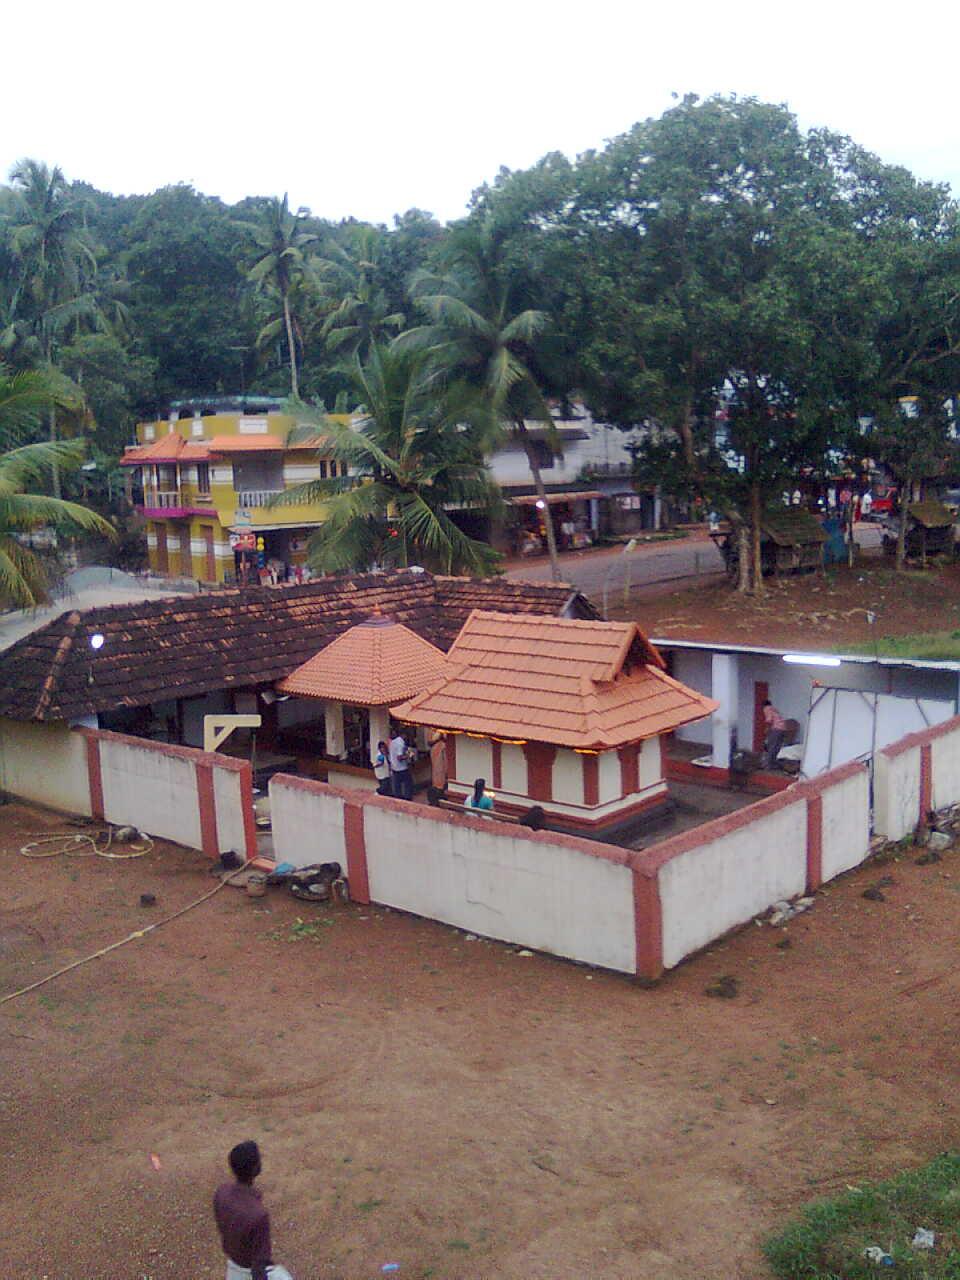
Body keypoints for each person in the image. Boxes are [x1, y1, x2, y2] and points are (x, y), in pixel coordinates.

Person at [213, 1140, 292, 1280]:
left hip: (233, 1267)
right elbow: (259, 1265)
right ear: (256, 1169)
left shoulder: (221, 1193)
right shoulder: (258, 1215)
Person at [762, 699, 787, 770]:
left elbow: (769, 720)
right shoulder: (775, 709)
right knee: (777, 747)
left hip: (776, 729)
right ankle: (773, 763)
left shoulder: (767, 709)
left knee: (771, 746)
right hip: (783, 729)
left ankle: (767, 765)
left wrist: (767, 729)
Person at [389, 730, 413, 800]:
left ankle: (398, 799)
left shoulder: (393, 742)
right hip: (401, 768)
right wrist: (409, 755)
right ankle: (407, 798)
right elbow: (399, 757)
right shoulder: (400, 743)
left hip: (394, 767)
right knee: (408, 783)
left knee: (397, 786)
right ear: (404, 735)